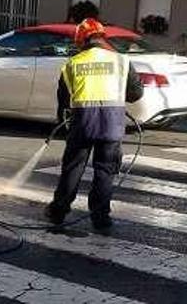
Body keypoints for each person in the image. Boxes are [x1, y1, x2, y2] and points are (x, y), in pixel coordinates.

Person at [45, 18, 143, 234]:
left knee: (73, 167)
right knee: (105, 170)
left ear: (80, 39)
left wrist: (63, 124)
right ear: (102, 36)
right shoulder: (121, 61)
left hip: (82, 123)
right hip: (112, 123)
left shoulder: (72, 64)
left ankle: (58, 211)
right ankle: (101, 218)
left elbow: (63, 103)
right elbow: (136, 93)